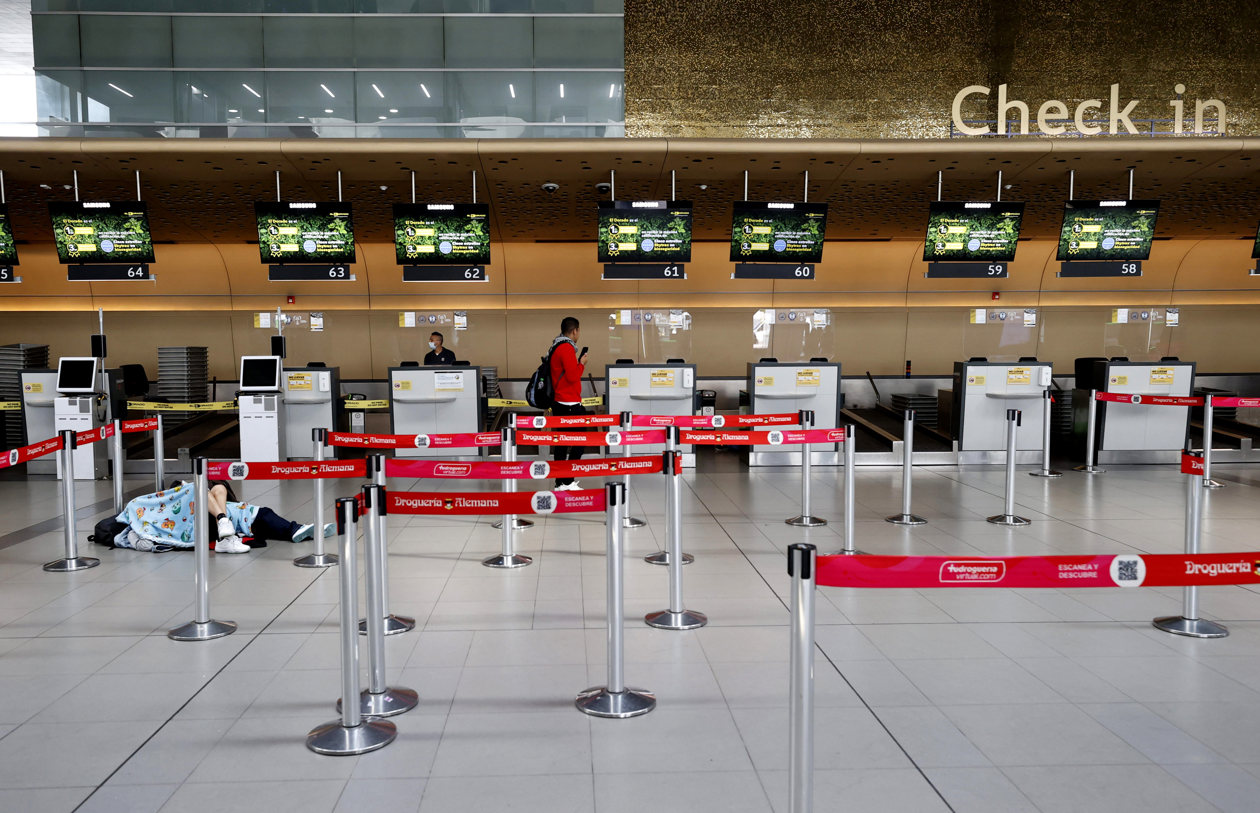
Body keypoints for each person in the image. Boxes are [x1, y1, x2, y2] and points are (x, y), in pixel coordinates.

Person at [112, 478, 330, 553]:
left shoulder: (214, 494)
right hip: (235, 519)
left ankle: (299, 529)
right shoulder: (189, 498)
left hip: (232, 518)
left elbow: (217, 489)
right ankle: (296, 530)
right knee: (265, 517)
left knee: (262, 517)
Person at [549, 316, 589, 490]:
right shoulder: (566, 348)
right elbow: (573, 376)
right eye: (578, 331)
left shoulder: (556, 346)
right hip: (569, 404)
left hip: (560, 402)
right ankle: (567, 479)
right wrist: (582, 364)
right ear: (574, 331)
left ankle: (561, 481)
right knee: (580, 441)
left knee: (562, 442)